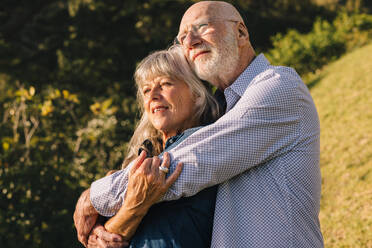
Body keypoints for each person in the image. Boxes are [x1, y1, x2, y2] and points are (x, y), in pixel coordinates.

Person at [76, 1, 324, 247]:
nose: (190, 41)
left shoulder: (279, 86)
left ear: (241, 32)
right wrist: (108, 226)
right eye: (182, 36)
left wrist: (95, 198)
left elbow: (192, 162)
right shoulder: (219, 112)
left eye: (202, 27)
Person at [74, 45, 221, 247]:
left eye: (165, 84)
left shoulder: (211, 145)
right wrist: (99, 235)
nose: (153, 95)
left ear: (196, 94)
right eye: (146, 89)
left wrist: (96, 202)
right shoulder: (140, 158)